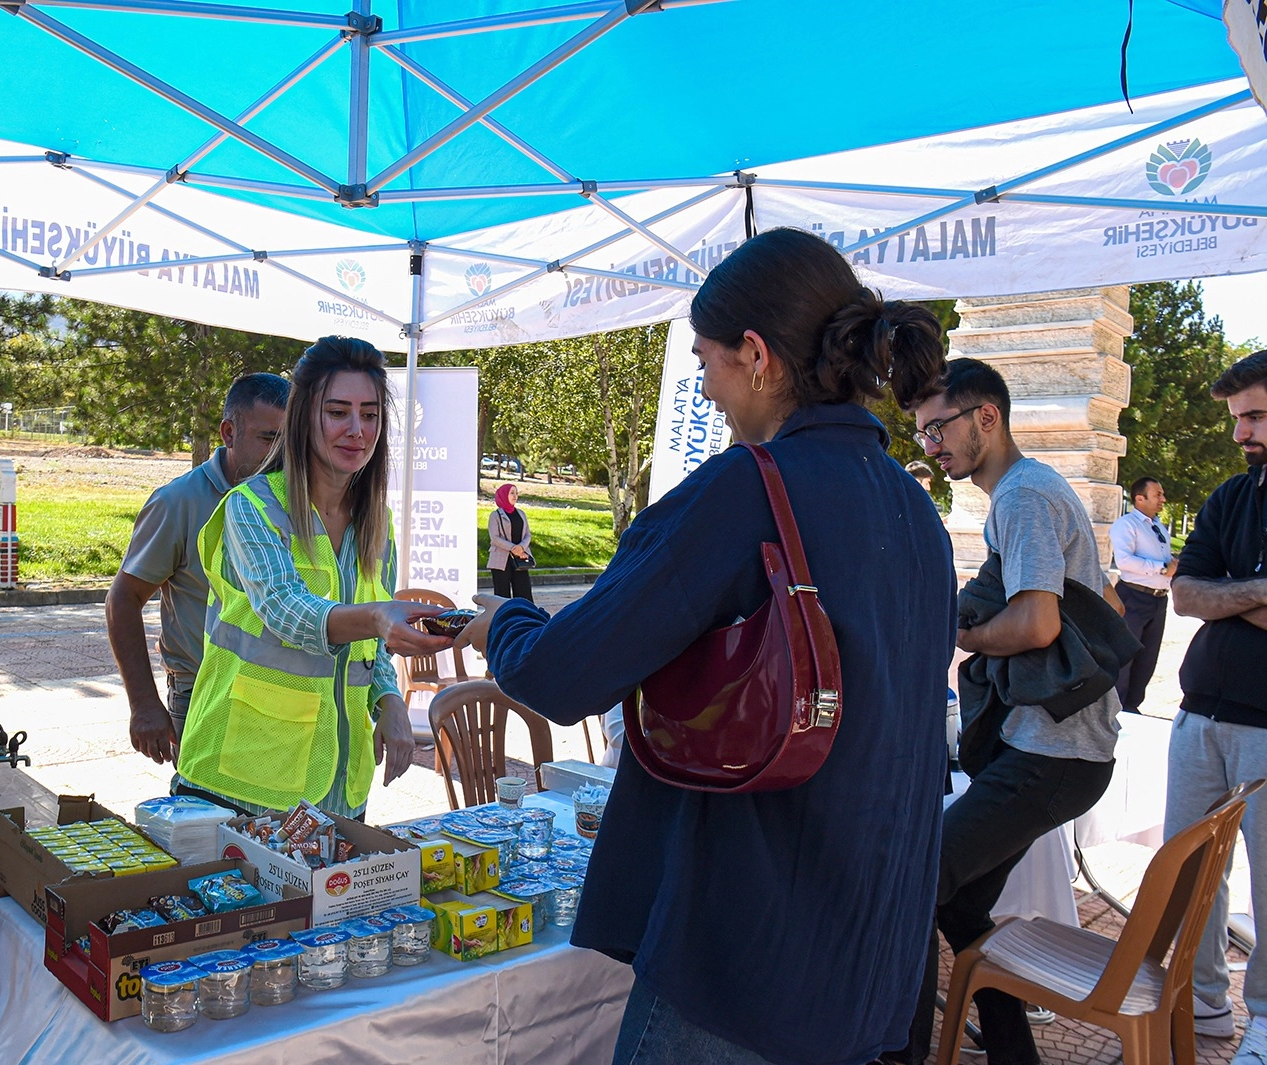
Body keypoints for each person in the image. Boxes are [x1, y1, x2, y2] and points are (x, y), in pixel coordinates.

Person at [459, 227, 956, 1065]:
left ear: (755, 354)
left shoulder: (747, 489)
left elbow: (563, 671)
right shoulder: (916, 511)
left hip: (748, 959)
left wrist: (498, 624)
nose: (707, 387)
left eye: (706, 360)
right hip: (873, 958)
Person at [890, 357, 1122, 1065]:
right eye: (922, 434)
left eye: (938, 428)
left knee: (913, 880)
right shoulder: (1035, 491)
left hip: (1053, 755)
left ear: (986, 416)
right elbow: (1108, 606)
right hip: (1063, 750)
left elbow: (1038, 625)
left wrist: (962, 634)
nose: (930, 445)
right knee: (957, 902)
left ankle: (895, 1053)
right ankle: (1012, 1052)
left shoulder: (1022, 496)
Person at [172, 337, 453, 819]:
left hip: (339, 791)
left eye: (369, 415)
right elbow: (287, 611)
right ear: (304, 418)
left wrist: (389, 699)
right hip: (242, 783)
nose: (356, 430)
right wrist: (379, 619)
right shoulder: (252, 506)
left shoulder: (375, 523)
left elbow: (370, 649)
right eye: (338, 412)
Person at [107, 373, 289, 766]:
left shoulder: (294, 497)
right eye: (268, 438)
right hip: (204, 696)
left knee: (273, 827)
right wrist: (144, 704)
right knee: (206, 824)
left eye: (289, 441)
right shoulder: (180, 501)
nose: (280, 455)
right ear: (228, 432)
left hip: (281, 698)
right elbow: (123, 598)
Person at [1166, 349, 1267, 1053]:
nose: (1241, 434)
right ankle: (1202, 1006)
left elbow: (1209, 594)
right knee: (1190, 873)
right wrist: (1258, 588)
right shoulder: (1232, 496)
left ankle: (1264, 1019)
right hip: (1198, 715)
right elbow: (1183, 593)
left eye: (1256, 415)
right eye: (1238, 418)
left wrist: (1226, 593)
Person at [1109, 475, 1176, 715]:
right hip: (1133, 597)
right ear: (1140, 498)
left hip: (1158, 599)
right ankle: (1116, 707)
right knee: (1125, 656)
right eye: (1157, 494)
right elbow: (1125, 561)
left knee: (1148, 656)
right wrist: (1160, 568)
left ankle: (1132, 705)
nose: (1163, 499)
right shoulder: (1126, 525)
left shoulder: (1158, 526)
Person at [486, 482, 534, 602]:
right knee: (502, 595)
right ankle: (505, 619)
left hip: (520, 558)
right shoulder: (495, 515)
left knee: (524, 593)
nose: (515, 496)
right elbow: (495, 538)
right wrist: (514, 548)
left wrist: (521, 548)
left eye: (516, 493)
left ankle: (525, 618)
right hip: (501, 559)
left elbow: (527, 534)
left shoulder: (521, 514)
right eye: (511, 493)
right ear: (503, 495)